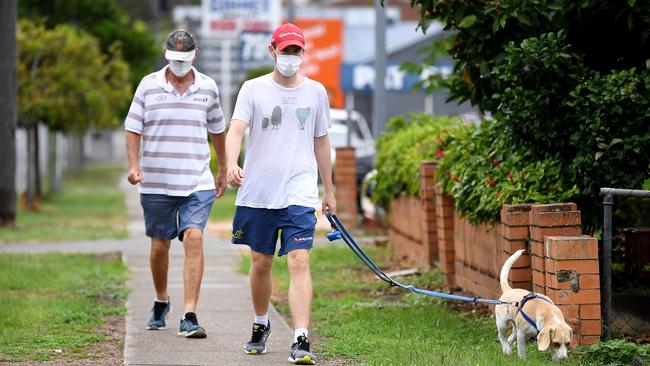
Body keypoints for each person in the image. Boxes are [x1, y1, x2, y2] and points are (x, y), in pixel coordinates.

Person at [225, 23, 336, 365]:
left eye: (296, 52)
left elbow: (321, 140)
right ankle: (261, 323)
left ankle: (301, 337)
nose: (290, 57)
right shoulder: (253, 89)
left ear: (303, 54)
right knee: (260, 263)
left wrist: (328, 189)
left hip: (299, 191)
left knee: (299, 260)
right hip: (258, 192)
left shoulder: (316, 91)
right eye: (284, 51)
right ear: (272, 51)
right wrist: (231, 162)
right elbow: (236, 129)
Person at [124, 29, 226, 338]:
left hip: (196, 179)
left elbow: (218, 131)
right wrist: (133, 165)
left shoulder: (208, 88)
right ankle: (160, 300)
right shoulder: (148, 86)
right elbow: (132, 128)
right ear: (166, 55)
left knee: (194, 237)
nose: (179, 64)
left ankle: (190, 314)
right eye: (174, 59)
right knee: (160, 246)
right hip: (156, 181)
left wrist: (223, 169)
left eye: (184, 58)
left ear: (195, 56)